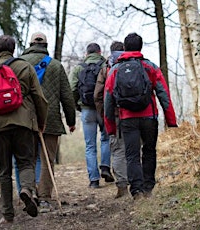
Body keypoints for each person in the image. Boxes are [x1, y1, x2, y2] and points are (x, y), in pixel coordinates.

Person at [0, 35, 48, 223]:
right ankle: (27, 189)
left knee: (4, 170)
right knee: (26, 162)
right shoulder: (25, 67)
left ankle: (7, 214)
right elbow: (40, 98)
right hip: (24, 124)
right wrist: (40, 122)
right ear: (13, 49)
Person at [103, 33, 178, 200]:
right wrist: (171, 120)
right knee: (149, 151)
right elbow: (163, 93)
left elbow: (108, 99)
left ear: (125, 47)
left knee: (132, 155)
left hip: (127, 118)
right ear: (140, 47)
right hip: (149, 116)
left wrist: (110, 127)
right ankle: (148, 187)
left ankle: (136, 190)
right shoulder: (150, 66)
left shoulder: (115, 70)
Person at [20, 32, 76, 212]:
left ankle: (28, 191)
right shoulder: (56, 66)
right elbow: (67, 96)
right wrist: (71, 120)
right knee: (47, 160)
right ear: (46, 46)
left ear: (29, 44)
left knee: (27, 158)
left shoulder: (19, 64)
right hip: (50, 118)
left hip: (24, 118)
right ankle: (44, 197)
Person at [69, 43, 114, 189]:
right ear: (100, 52)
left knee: (90, 146)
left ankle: (94, 180)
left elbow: (72, 90)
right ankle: (105, 167)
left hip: (87, 109)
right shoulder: (106, 66)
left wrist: (78, 106)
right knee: (106, 138)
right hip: (103, 109)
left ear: (86, 53)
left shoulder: (79, 68)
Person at [94, 41, 128, 198]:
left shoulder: (107, 67)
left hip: (114, 114)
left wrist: (104, 115)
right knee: (134, 149)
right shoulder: (133, 63)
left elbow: (98, 94)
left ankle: (122, 186)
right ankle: (137, 183)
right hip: (134, 114)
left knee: (117, 149)